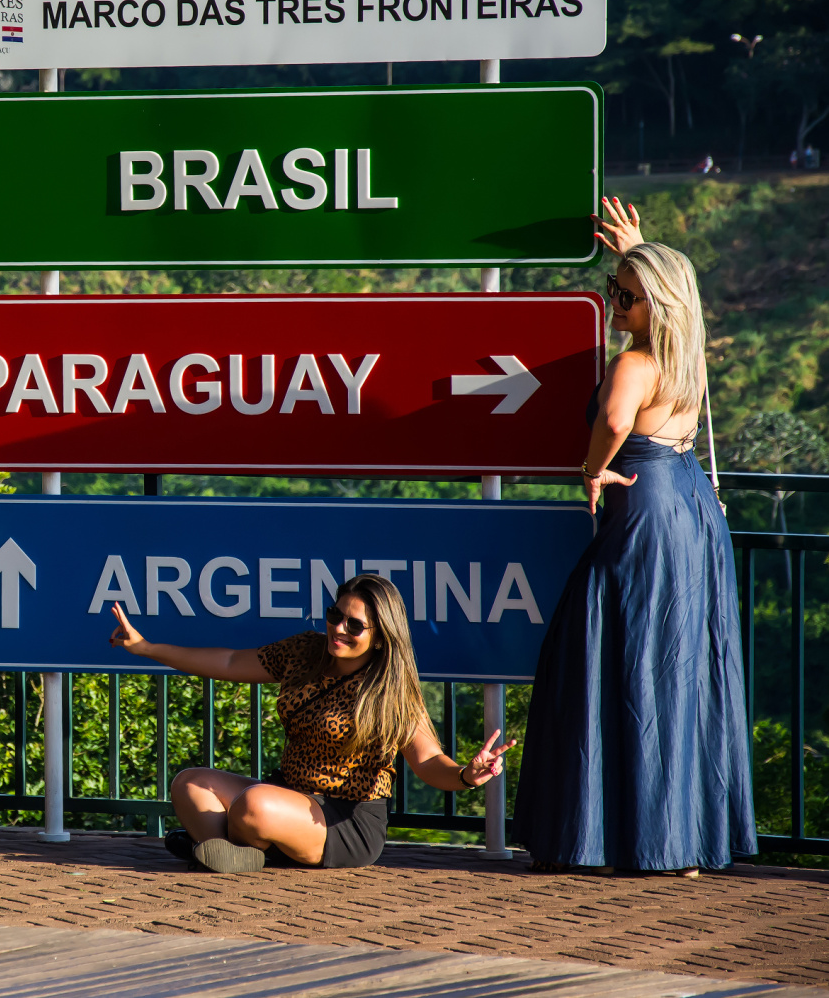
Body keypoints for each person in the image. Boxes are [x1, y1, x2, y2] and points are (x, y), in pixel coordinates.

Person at [514, 198, 754, 877]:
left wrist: (591, 469)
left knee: (602, 648)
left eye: (624, 293)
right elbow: (673, 291)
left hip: (641, 502)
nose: (612, 300)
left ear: (655, 302)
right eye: (612, 288)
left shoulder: (636, 362)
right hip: (690, 504)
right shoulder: (687, 355)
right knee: (676, 663)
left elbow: (617, 416)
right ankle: (677, 839)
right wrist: (639, 248)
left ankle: (606, 835)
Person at [107, 574, 514, 873]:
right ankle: (236, 852)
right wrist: (146, 647)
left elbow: (428, 762)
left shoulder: (391, 690)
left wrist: (465, 775)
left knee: (253, 804)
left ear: (380, 636)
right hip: (288, 794)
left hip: (343, 820)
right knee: (189, 783)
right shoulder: (305, 651)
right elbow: (230, 661)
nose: (338, 628)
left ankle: (220, 845)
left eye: (354, 625)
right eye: (336, 615)